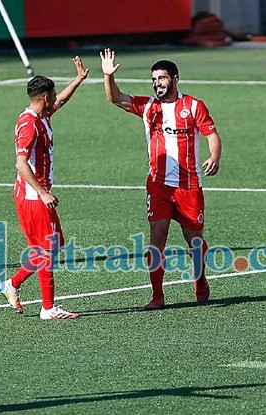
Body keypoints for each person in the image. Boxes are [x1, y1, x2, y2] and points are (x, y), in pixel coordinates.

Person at [100, 48, 222, 310]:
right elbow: (115, 98)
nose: (157, 83)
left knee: (195, 241)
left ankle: (200, 279)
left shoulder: (193, 106)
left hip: (189, 185)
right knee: (158, 236)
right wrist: (108, 76)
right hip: (158, 185)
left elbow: (212, 133)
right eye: (154, 79)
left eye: (162, 78)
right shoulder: (147, 107)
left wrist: (214, 156)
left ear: (175, 79)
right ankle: (157, 295)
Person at [0, 57, 89, 319]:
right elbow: (20, 163)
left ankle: (12, 284)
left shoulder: (41, 114)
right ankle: (48, 307)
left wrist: (78, 79)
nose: (55, 99)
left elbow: (61, 100)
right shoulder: (30, 125)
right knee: (48, 249)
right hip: (32, 196)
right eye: (52, 95)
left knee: (52, 245)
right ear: (43, 97)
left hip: (34, 195)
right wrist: (42, 192)